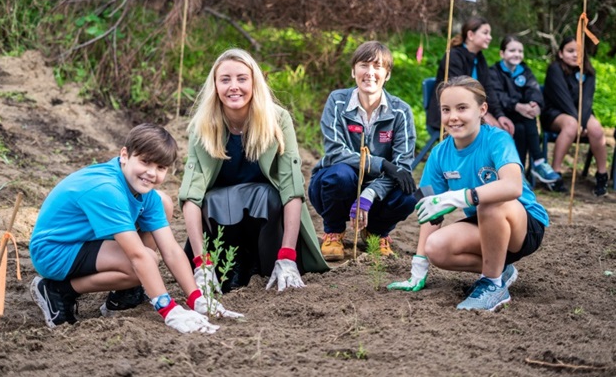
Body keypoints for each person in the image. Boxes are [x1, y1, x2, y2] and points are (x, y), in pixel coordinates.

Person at [29, 124, 240, 334]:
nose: (151, 173)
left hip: (86, 240)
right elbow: (138, 256)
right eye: (145, 162)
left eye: (160, 168)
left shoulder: (144, 191)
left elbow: (172, 250)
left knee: (162, 204)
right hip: (54, 251)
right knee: (142, 262)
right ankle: (57, 290)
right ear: (124, 155)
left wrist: (197, 299)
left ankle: (125, 293)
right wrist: (169, 310)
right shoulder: (107, 189)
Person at [388, 76, 549, 311]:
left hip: (523, 224)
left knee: (490, 201)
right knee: (437, 248)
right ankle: (501, 270)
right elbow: (428, 208)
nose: (453, 116)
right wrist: (419, 265)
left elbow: (512, 187)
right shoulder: (438, 154)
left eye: (462, 108)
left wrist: (458, 197)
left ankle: (493, 286)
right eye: (446, 109)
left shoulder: (498, 139)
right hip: (484, 223)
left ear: (482, 109)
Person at [179, 48, 329, 295]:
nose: (233, 86)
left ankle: (268, 264)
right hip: (220, 224)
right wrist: (200, 262)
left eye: (242, 78)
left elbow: (292, 190)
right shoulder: (202, 125)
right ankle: (227, 267)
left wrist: (288, 255)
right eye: (225, 79)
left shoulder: (278, 119)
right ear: (215, 86)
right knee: (212, 200)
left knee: (265, 195)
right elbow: (191, 197)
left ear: (254, 82)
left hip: (267, 223)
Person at [308, 41, 417, 261]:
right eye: (363, 65)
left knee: (408, 194)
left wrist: (368, 194)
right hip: (336, 185)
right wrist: (382, 164)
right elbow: (335, 152)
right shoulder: (337, 102)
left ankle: (376, 233)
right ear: (353, 70)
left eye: (378, 66)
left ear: (387, 75)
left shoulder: (401, 112)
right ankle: (334, 232)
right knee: (339, 174)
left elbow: (402, 168)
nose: (370, 73)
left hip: (377, 193)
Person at [489, 35, 561, 185]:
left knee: (524, 125)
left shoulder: (524, 70)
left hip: (522, 116)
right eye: (512, 50)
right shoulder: (494, 72)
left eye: (520, 51)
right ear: (502, 53)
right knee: (523, 122)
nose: (517, 54)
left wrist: (534, 104)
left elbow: (533, 89)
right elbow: (497, 96)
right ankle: (538, 161)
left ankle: (520, 171)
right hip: (502, 115)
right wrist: (517, 106)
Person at [542, 36, 609, 196]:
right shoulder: (555, 70)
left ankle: (602, 175)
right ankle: (555, 174)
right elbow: (562, 98)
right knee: (571, 125)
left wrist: (584, 122)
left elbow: (587, 100)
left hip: (582, 114)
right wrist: (578, 122)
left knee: (597, 130)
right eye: (570, 51)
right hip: (555, 112)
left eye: (578, 52)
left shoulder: (588, 72)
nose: (574, 55)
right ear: (560, 53)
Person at [426, 16, 515, 136]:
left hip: (471, 111)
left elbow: (488, 90)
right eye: (485, 33)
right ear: (471, 35)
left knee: (502, 130)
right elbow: (458, 92)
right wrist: (482, 115)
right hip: (450, 114)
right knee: (491, 133)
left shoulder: (480, 58)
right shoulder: (454, 56)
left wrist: (499, 115)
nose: (490, 37)